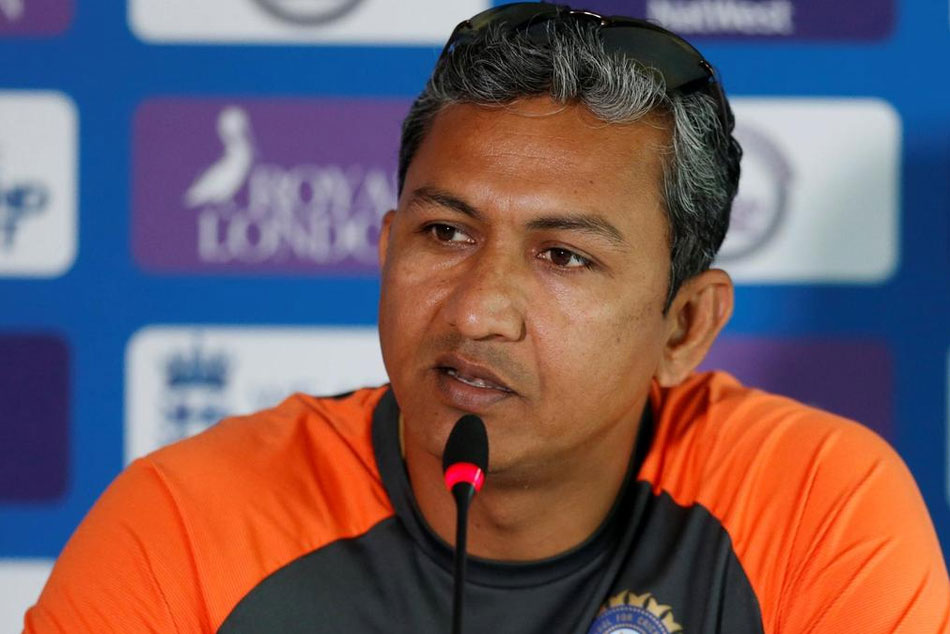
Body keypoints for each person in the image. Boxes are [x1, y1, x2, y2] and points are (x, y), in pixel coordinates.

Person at [24, 3, 949, 633]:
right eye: (445, 232)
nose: (476, 311)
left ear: (684, 329)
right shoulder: (186, 524)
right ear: (386, 249)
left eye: (563, 256)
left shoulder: (816, 504)